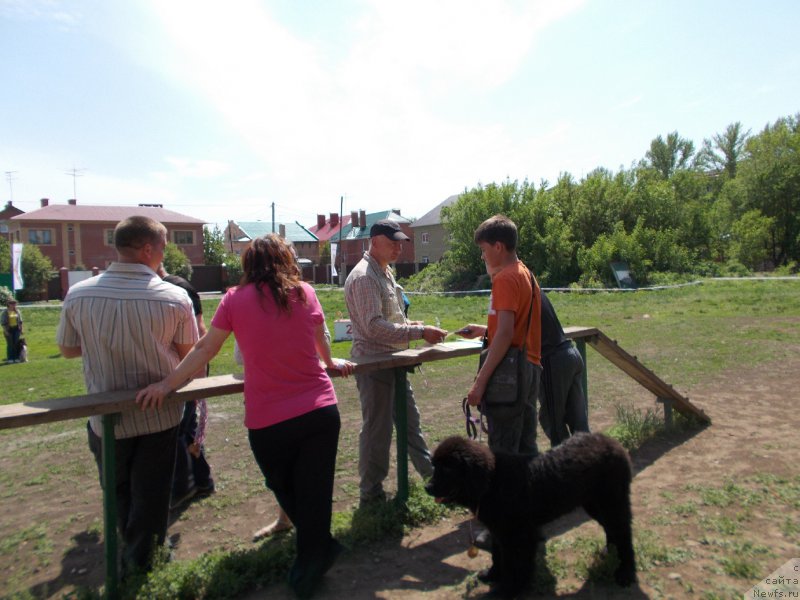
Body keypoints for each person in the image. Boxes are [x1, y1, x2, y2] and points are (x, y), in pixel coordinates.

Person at [137, 233, 354, 599]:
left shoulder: (235, 299)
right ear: (286, 260)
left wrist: (167, 383)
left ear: (248, 265)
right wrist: (330, 363)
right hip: (319, 410)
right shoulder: (304, 292)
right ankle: (318, 550)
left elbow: (206, 348)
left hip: (269, 419)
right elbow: (321, 341)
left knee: (284, 487)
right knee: (313, 492)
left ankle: (310, 563)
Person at [56, 216, 199, 577]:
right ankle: (145, 559)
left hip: (104, 416)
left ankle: (131, 548)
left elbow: (69, 349)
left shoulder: (79, 293)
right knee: (151, 493)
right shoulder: (173, 296)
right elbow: (190, 355)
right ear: (148, 249)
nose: (164, 254)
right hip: (159, 414)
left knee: (116, 488)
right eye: (164, 247)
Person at [344, 219, 447, 506]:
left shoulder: (383, 272)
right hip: (374, 365)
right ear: (374, 241)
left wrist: (411, 324)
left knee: (410, 424)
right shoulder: (365, 276)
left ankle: (432, 482)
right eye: (393, 243)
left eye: (401, 243)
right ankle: (371, 495)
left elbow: (385, 319)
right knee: (378, 431)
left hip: (392, 362)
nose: (399, 248)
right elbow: (373, 327)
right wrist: (418, 332)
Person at [456, 214, 542, 456]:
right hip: (530, 367)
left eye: (483, 249)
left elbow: (505, 334)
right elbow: (517, 327)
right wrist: (485, 331)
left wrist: (479, 384)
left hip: (511, 374)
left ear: (498, 246)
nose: (483, 256)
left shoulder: (504, 278)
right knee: (526, 449)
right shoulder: (526, 274)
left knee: (503, 453)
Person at [156, 264, 216, 509]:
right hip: (183, 370)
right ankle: (201, 480)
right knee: (187, 428)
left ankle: (186, 485)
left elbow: (201, 330)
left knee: (180, 428)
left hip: (187, 370)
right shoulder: (171, 288)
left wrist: (196, 375)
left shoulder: (179, 288)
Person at [538, 291, 589, 446]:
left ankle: (566, 466)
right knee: (580, 425)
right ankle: (592, 464)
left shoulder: (511, 285)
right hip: (570, 353)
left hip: (553, 361)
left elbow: (509, 332)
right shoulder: (532, 286)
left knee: (554, 424)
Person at [2, 298, 23, 363]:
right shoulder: (5, 312)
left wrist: (21, 329)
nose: (14, 305)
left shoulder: (17, 311)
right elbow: (3, 323)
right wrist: (5, 331)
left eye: (14, 303)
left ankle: (16, 357)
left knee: (16, 344)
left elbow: (20, 321)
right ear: (8, 304)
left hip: (16, 329)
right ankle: (10, 358)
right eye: (12, 303)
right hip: (9, 329)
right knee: (10, 344)